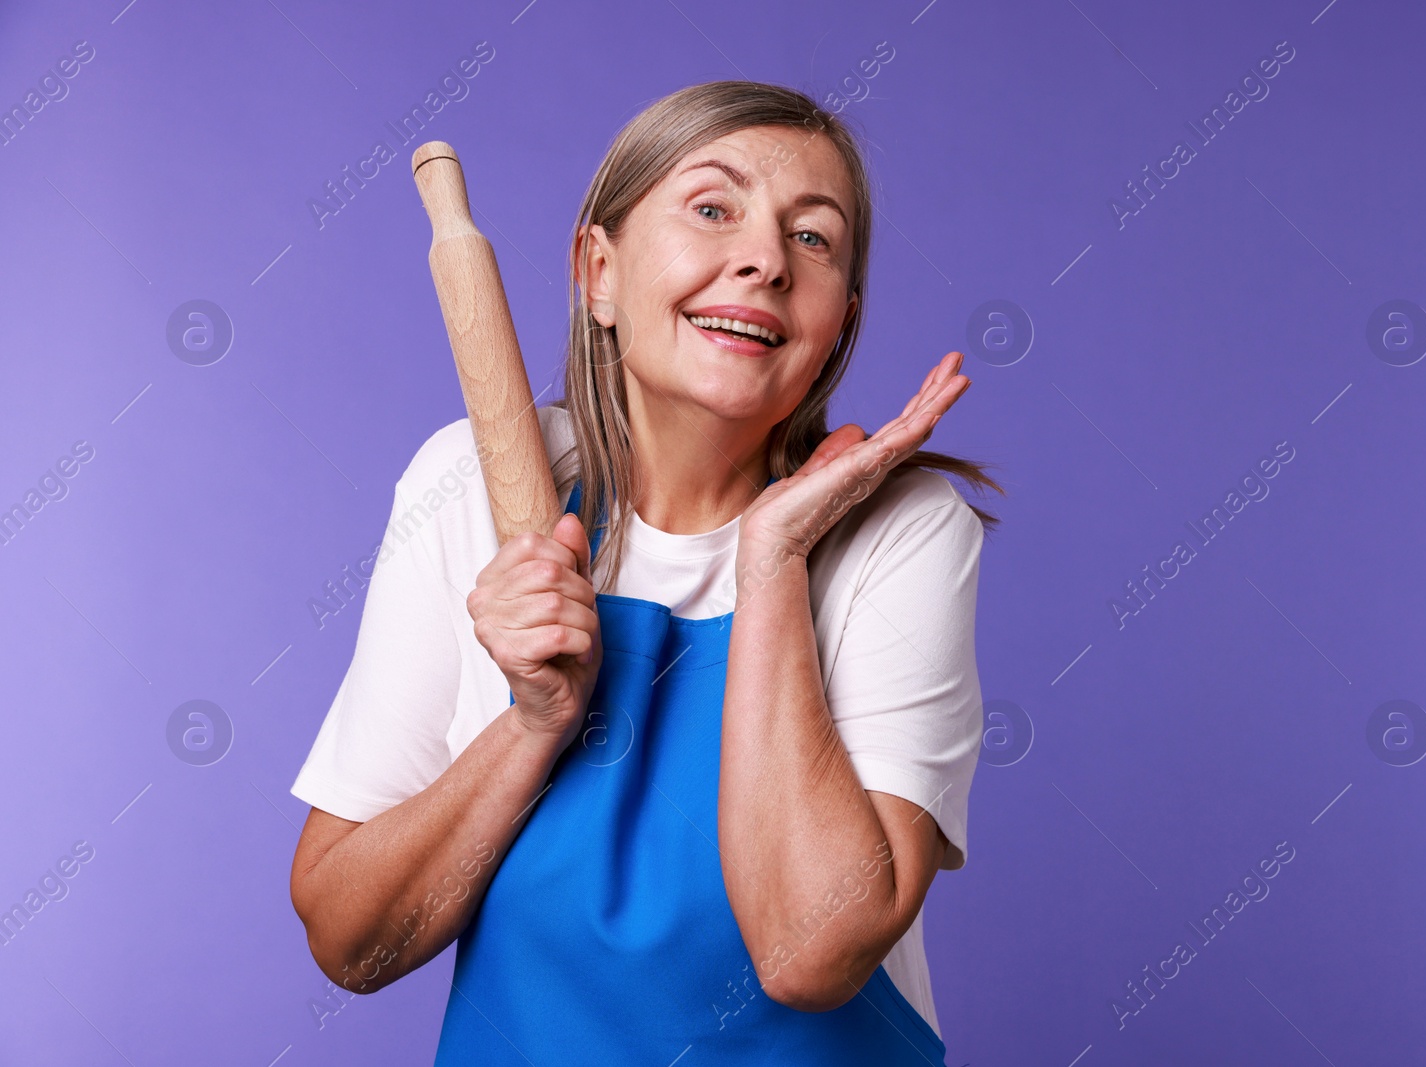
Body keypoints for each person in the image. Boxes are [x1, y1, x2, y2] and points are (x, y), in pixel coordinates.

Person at [287, 79, 1000, 1065]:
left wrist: (774, 559)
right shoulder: (469, 484)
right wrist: (534, 722)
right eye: (713, 208)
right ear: (598, 270)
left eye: (814, 238)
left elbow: (809, 952)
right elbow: (352, 940)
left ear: (839, 320)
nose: (762, 259)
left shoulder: (899, 530)